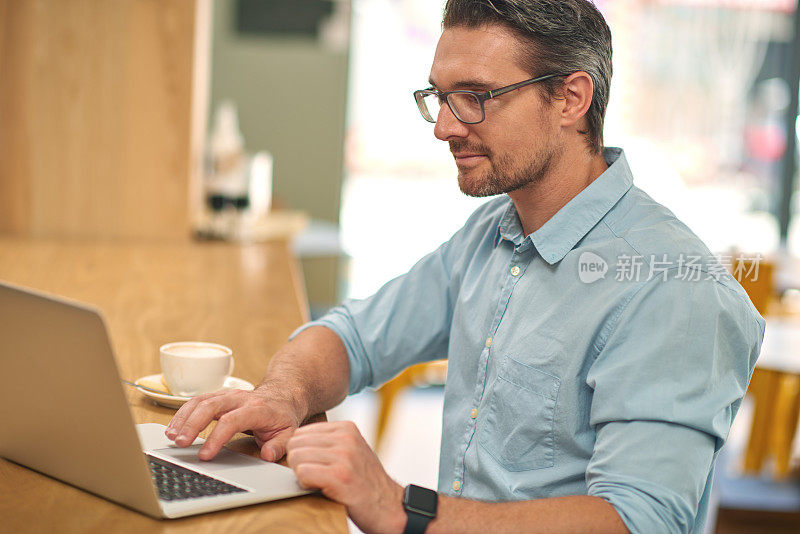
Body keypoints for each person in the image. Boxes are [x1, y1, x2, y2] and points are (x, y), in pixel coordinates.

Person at [165, 1, 764, 532]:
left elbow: (640, 520)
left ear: (571, 99)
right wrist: (283, 394)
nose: (446, 127)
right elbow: (353, 337)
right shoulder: (495, 230)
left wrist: (402, 508)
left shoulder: (673, 291)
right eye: (440, 97)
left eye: (475, 97)